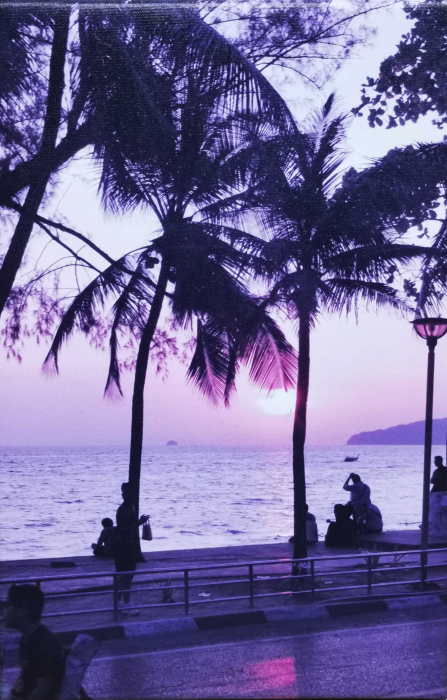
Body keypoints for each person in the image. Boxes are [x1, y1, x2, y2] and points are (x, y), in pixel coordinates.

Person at [4, 584, 65, 700]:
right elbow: (26, 677)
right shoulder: (29, 638)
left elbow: (42, 689)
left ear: (22, 611)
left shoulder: (44, 644)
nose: (3, 611)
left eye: (7, 606)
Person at [113, 482, 149, 615]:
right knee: (126, 576)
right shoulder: (123, 509)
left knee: (126, 575)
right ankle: (124, 603)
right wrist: (138, 523)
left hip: (128, 545)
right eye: (125, 493)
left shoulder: (130, 508)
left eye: (129, 493)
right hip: (123, 545)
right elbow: (123, 528)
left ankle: (121, 602)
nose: (126, 495)